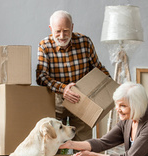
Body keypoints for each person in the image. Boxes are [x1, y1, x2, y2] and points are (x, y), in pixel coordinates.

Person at [37, 10, 111, 141]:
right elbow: (41, 76)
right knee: (53, 142)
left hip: (81, 98)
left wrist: (113, 86)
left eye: (66, 30)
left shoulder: (85, 42)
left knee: (84, 143)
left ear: (72, 27)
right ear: (50, 29)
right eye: (57, 31)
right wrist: (63, 88)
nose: (62, 35)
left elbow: (97, 68)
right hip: (56, 100)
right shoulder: (45, 45)